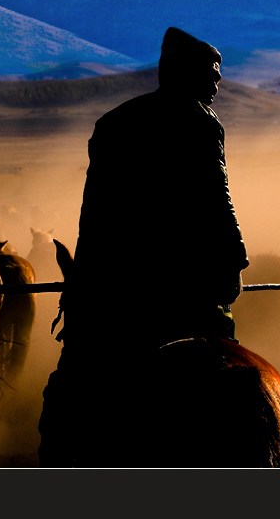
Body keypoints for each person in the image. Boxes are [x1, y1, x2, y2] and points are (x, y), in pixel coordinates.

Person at [38, 26, 250, 467]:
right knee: (224, 368)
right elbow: (217, 202)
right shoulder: (201, 123)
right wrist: (234, 262)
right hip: (182, 293)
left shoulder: (112, 124)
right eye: (210, 75)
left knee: (68, 393)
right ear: (179, 72)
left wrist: (86, 282)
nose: (216, 85)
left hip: (111, 291)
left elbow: (92, 217)